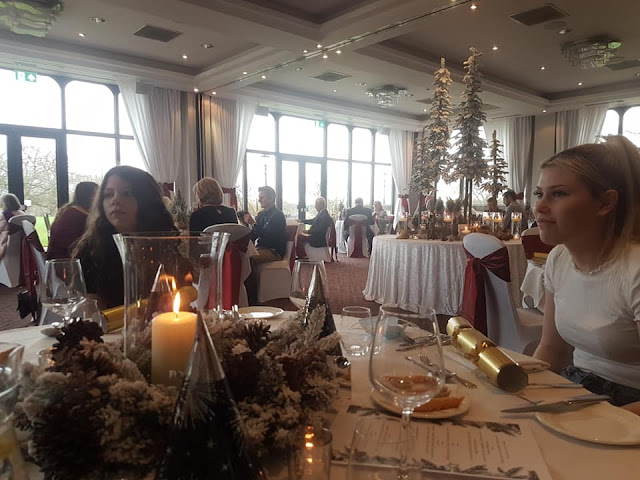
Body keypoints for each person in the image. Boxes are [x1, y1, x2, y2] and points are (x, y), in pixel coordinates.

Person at [532, 136, 640, 414]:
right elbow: (552, 349)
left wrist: (605, 423)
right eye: (539, 193)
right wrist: (522, 388)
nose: (540, 207)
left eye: (558, 194)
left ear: (605, 203)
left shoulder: (635, 270)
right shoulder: (558, 258)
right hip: (577, 388)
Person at [73, 166, 176, 309]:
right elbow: (91, 312)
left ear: (146, 201)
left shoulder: (166, 245)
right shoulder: (91, 250)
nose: (115, 200)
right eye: (108, 194)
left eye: (127, 194)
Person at [47, 182, 99, 260]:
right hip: (67, 262)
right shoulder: (78, 216)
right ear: (88, 196)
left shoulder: (70, 211)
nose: (100, 199)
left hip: (57, 260)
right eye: (97, 195)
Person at [245, 186, 286, 264]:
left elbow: (269, 236)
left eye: (262, 197)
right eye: (259, 197)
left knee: (249, 258)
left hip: (273, 251)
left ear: (271, 198)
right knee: (240, 255)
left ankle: (253, 273)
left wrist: (253, 223)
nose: (259, 200)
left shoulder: (278, 215)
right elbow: (254, 236)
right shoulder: (261, 214)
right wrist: (245, 224)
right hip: (260, 248)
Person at [0, 193, 25, 260]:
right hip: (22, 245)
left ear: (4, 204)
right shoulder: (22, 214)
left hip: (6, 245)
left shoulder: (3, 216)